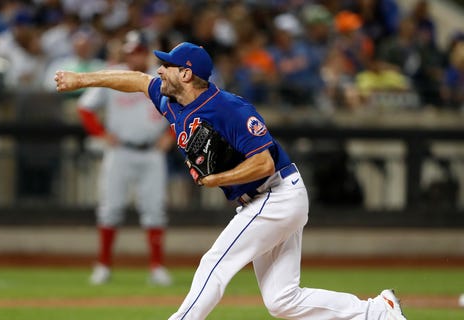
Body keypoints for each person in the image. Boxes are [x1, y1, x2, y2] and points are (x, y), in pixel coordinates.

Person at [54, 42, 407, 320]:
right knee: (282, 301)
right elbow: (135, 80)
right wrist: (82, 80)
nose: (160, 69)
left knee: (215, 263)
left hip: (277, 194)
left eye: (169, 65)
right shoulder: (171, 99)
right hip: (264, 200)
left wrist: (218, 178)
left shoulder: (229, 109)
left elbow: (263, 161)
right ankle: (376, 312)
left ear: (187, 75)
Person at [77, 30, 174, 286]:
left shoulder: (161, 75)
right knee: (110, 208)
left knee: (154, 210)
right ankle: (104, 266)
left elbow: (184, 107)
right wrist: (101, 134)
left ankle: (156, 267)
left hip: (151, 151)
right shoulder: (114, 73)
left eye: (140, 51)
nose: (136, 56)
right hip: (120, 152)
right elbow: (85, 108)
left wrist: (171, 135)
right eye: (132, 52)